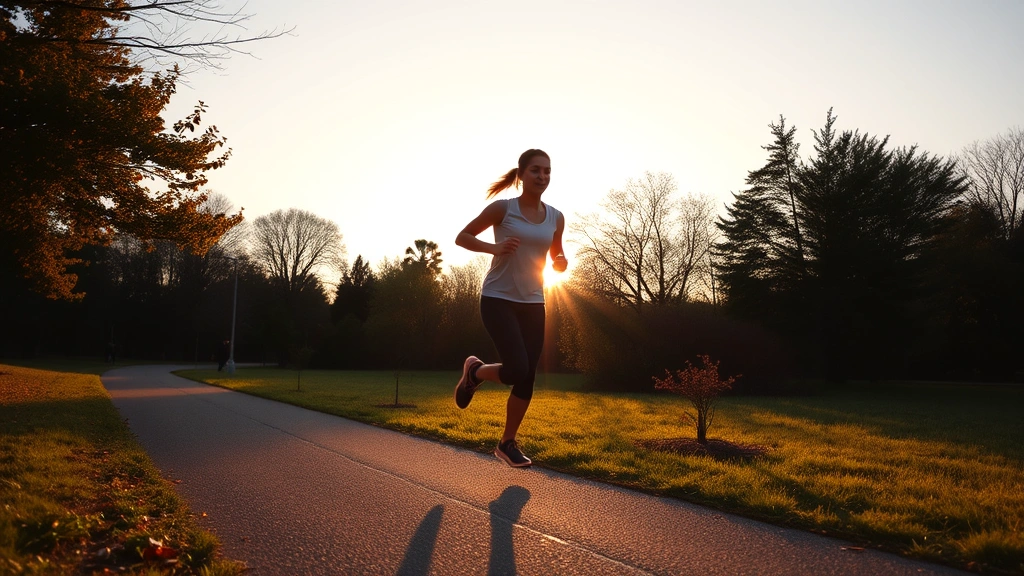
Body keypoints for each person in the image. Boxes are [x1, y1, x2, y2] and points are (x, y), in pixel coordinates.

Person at [454, 149, 568, 468]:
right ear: (521, 174)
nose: (542, 176)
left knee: (527, 375)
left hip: (534, 301)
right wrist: (495, 247)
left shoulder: (556, 217)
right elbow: (462, 237)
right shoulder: (503, 209)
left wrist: (560, 262)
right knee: (517, 367)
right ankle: (475, 372)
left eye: (547, 171)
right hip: (498, 298)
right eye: (535, 170)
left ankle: (507, 443)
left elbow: (557, 256)